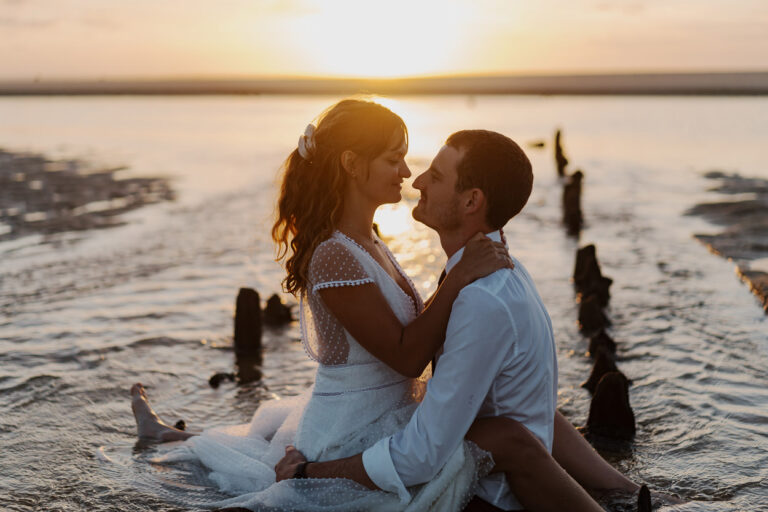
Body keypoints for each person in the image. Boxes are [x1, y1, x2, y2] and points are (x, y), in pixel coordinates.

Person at [131, 99, 542, 511]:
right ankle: (166, 437)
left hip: (381, 414)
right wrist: (458, 278)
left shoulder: (372, 241)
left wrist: (459, 276)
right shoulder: (333, 255)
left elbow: (410, 327)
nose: (406, 173)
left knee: (258, 448)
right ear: (351, 163)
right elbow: (407, 356)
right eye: (393, 159)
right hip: (353, 432)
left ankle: (167, 434)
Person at [273, 128, 641, 511]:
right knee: (504, 432)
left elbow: (422, 451)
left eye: (435, 175)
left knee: (504, 435)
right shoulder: (495, 275)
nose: (414, 179)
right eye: (395, 160)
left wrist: (310, 472)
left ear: (471, 201)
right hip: (361, 428)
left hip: (476, 486)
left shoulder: (481, 295)